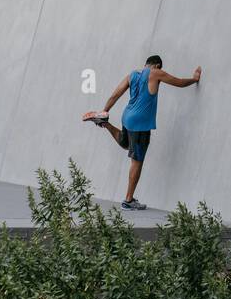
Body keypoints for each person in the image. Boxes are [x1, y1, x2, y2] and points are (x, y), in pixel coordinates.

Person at [82, 55, 201, 210]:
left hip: (127, 117)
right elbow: (179, 83)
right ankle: (128, 200)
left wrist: (104, 110)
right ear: (157, 66)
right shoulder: (156, 73)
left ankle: (105, 122)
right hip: (140, 124)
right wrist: (194, 79)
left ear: (146, 64)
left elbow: (115, 94)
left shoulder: (132, 75)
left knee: (126, 143)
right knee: (137, 161)